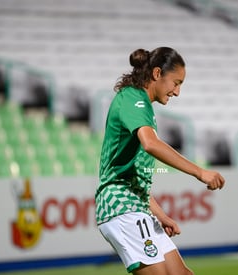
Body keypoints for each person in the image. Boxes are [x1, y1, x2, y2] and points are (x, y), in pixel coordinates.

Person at [95, 47, 225, 275]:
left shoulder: (142, 108)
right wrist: (199, 172)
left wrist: (160, 215)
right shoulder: (132, 99)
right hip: (119, 205)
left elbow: (135, 178)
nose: (177, 92)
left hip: (136, 205)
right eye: (176, 83)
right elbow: (151, 144)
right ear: (157, 74)